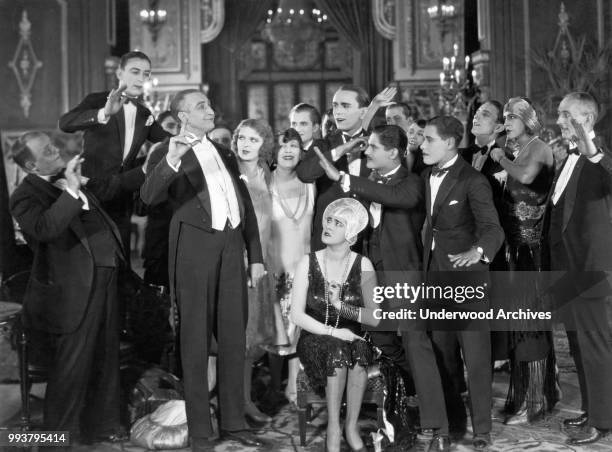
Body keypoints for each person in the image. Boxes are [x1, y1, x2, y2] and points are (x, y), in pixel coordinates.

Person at [140, 89, 265, 450]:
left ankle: (233, 422)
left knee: (232, 338)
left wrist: (254, 255)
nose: (210, 110)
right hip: (193, 253)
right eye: (200, 106)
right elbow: (147, 199)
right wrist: (172, 161)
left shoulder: (224, 152)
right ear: (182, 116)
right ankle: (199, 430)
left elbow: (246, 208)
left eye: (208, 105)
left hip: (231, 249)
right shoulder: (167, 150)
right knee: (194, 341)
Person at [314, 125, 440, 450]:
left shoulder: (411, 183)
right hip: (372, 276)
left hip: (403, 277)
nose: (366, 152)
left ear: (393, 152)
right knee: (381, 336)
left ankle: (433, 421)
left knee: (416, 343)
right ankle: (411, 389)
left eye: (372, 147)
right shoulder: (371, 184)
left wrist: (345, 179)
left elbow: (396, 198)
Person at [9, 132, 138, 445]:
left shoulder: (71, 177)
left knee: (106, 358)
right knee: (71, 368)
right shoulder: (25, 195)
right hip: (71, 291)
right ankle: (57, 439)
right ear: (30, 163)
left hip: (106, 279)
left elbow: (113, 189)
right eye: (48, 150)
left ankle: (103, 426)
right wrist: (70, 190)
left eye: (54, 145)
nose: (57, 150)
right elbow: (46, 229)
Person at [421, 116, 504, 451]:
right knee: (443, 357)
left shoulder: (473, 180)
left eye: (428, 139)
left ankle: (482, 429)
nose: (422, 145)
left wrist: (479, 251)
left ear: (450, 143)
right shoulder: (426, 175)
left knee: (477, 358)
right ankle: (453, 422)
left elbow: (493, 228)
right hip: (435, 280)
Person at [543, 92, 612, 446]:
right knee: (578, 345)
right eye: (559, 114)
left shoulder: (599, 160)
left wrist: (593, 150)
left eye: (566, 115)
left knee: (595, 345)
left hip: (591, 269)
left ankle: (602, 420)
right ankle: (592, 409)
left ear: (586, 119)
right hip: (567, 269)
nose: (559, 121)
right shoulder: (567, 158)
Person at [488, 97, 557, 425]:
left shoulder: (539, 147)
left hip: (531, 252)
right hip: (512, 251)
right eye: (505, 116)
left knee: (530, 325)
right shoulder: (517, 148)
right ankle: (522, 396)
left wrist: (502, 157)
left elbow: (527, 177)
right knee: (516, 324)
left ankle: (537, 399)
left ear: (527, 119)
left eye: (513, 116)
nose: (508, 121)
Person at [291, 198, 379, 452]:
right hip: (314, 339)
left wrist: (341, 306)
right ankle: (333, 428)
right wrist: (332, 331)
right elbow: (297, 315)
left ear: (350, 234)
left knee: (360, 350)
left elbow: (374, 317)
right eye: (328, 220)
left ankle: (350, 427)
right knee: (337, 351)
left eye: (338, 223)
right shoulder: (307, 262)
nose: (328, 226)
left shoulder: (363, 265)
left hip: (350, 337)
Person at [59, 51, 169, 253]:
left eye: (146, 74)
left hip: (123, 194)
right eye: (135, 71)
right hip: (93, 191)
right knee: (94, 255)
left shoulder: (144, 113)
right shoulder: (97, 100)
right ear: (119, 72)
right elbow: (65, 123)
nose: (141, 78)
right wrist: (104, 113)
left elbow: (167, 143)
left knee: (121, 256)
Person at [231, 118, 277, 424]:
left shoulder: (268, 174)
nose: (246, 145)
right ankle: (235, 403)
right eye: (242, 139)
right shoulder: (228, 173)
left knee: (254, 339)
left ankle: (244, 400)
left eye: (253, 140)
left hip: (263, 263)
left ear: (264, 145)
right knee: (236, 338)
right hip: (236, 262)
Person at [266, 128, 315, 408]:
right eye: (283, 145)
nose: (288, 150)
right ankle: (273, 386)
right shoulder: (264, 182)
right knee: (274, 332)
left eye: (294, 145)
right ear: (273, 152)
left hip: (305, 270)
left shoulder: (310, 183)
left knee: (300, 331)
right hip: (274, 269)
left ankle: (295, 385)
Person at [296, 85, 371, 252]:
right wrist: (342, 149)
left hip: (366, 240)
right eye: (335, 105)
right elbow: (305, 174)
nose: (338, 111)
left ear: (363, 112)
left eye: (345, 106)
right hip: (328, 240)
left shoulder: (375, 143)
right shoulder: (323, 145)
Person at [142, 111, 178, 288]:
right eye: (170, 126)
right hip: (160, 239)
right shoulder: (155, 155)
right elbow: (145, 203)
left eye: (179, 125)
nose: (175, 130)